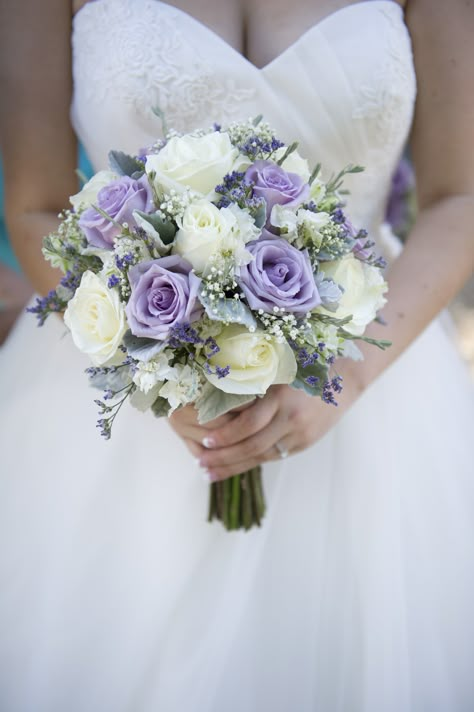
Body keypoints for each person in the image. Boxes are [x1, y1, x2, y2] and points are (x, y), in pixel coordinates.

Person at [0, 0, 473, 709]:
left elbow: (458, 196)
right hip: (118, 409)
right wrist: (154, 363)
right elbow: (36, 204)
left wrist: (347, 373)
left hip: (378, 390)